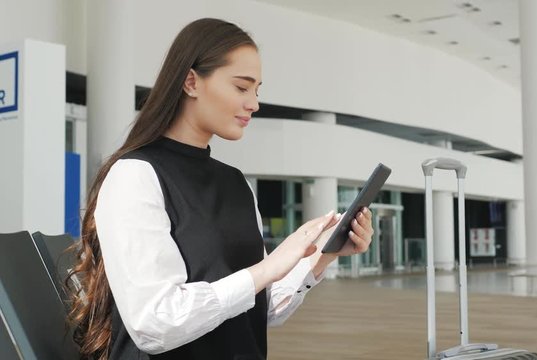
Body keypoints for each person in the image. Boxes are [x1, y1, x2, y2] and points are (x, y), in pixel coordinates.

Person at [66, 18, 374, 360]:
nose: (254, 103)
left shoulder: (236, 184)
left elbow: (255, 309)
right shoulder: (135, 175)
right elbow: (153, 324)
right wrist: (268, 268)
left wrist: (324, 253)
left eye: (257, 90)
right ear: (191, 81)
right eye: (242, 87)